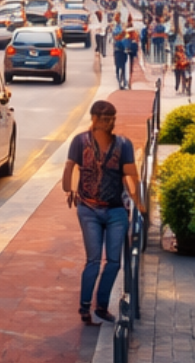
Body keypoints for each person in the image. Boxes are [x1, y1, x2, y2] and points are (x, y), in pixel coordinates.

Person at [62, 100, 141, 328]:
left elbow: (130, 176)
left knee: (114, 262)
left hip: (116, 209)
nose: (110, 123)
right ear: (94, 119)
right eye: (105, 119)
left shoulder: (123, 144)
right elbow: (70, 166)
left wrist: (139, 202)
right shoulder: (80, 141)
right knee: (94, 260)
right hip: (88, 208)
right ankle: (85, 307)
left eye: (112, 119)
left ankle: (102, 306)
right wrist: (69, 188)